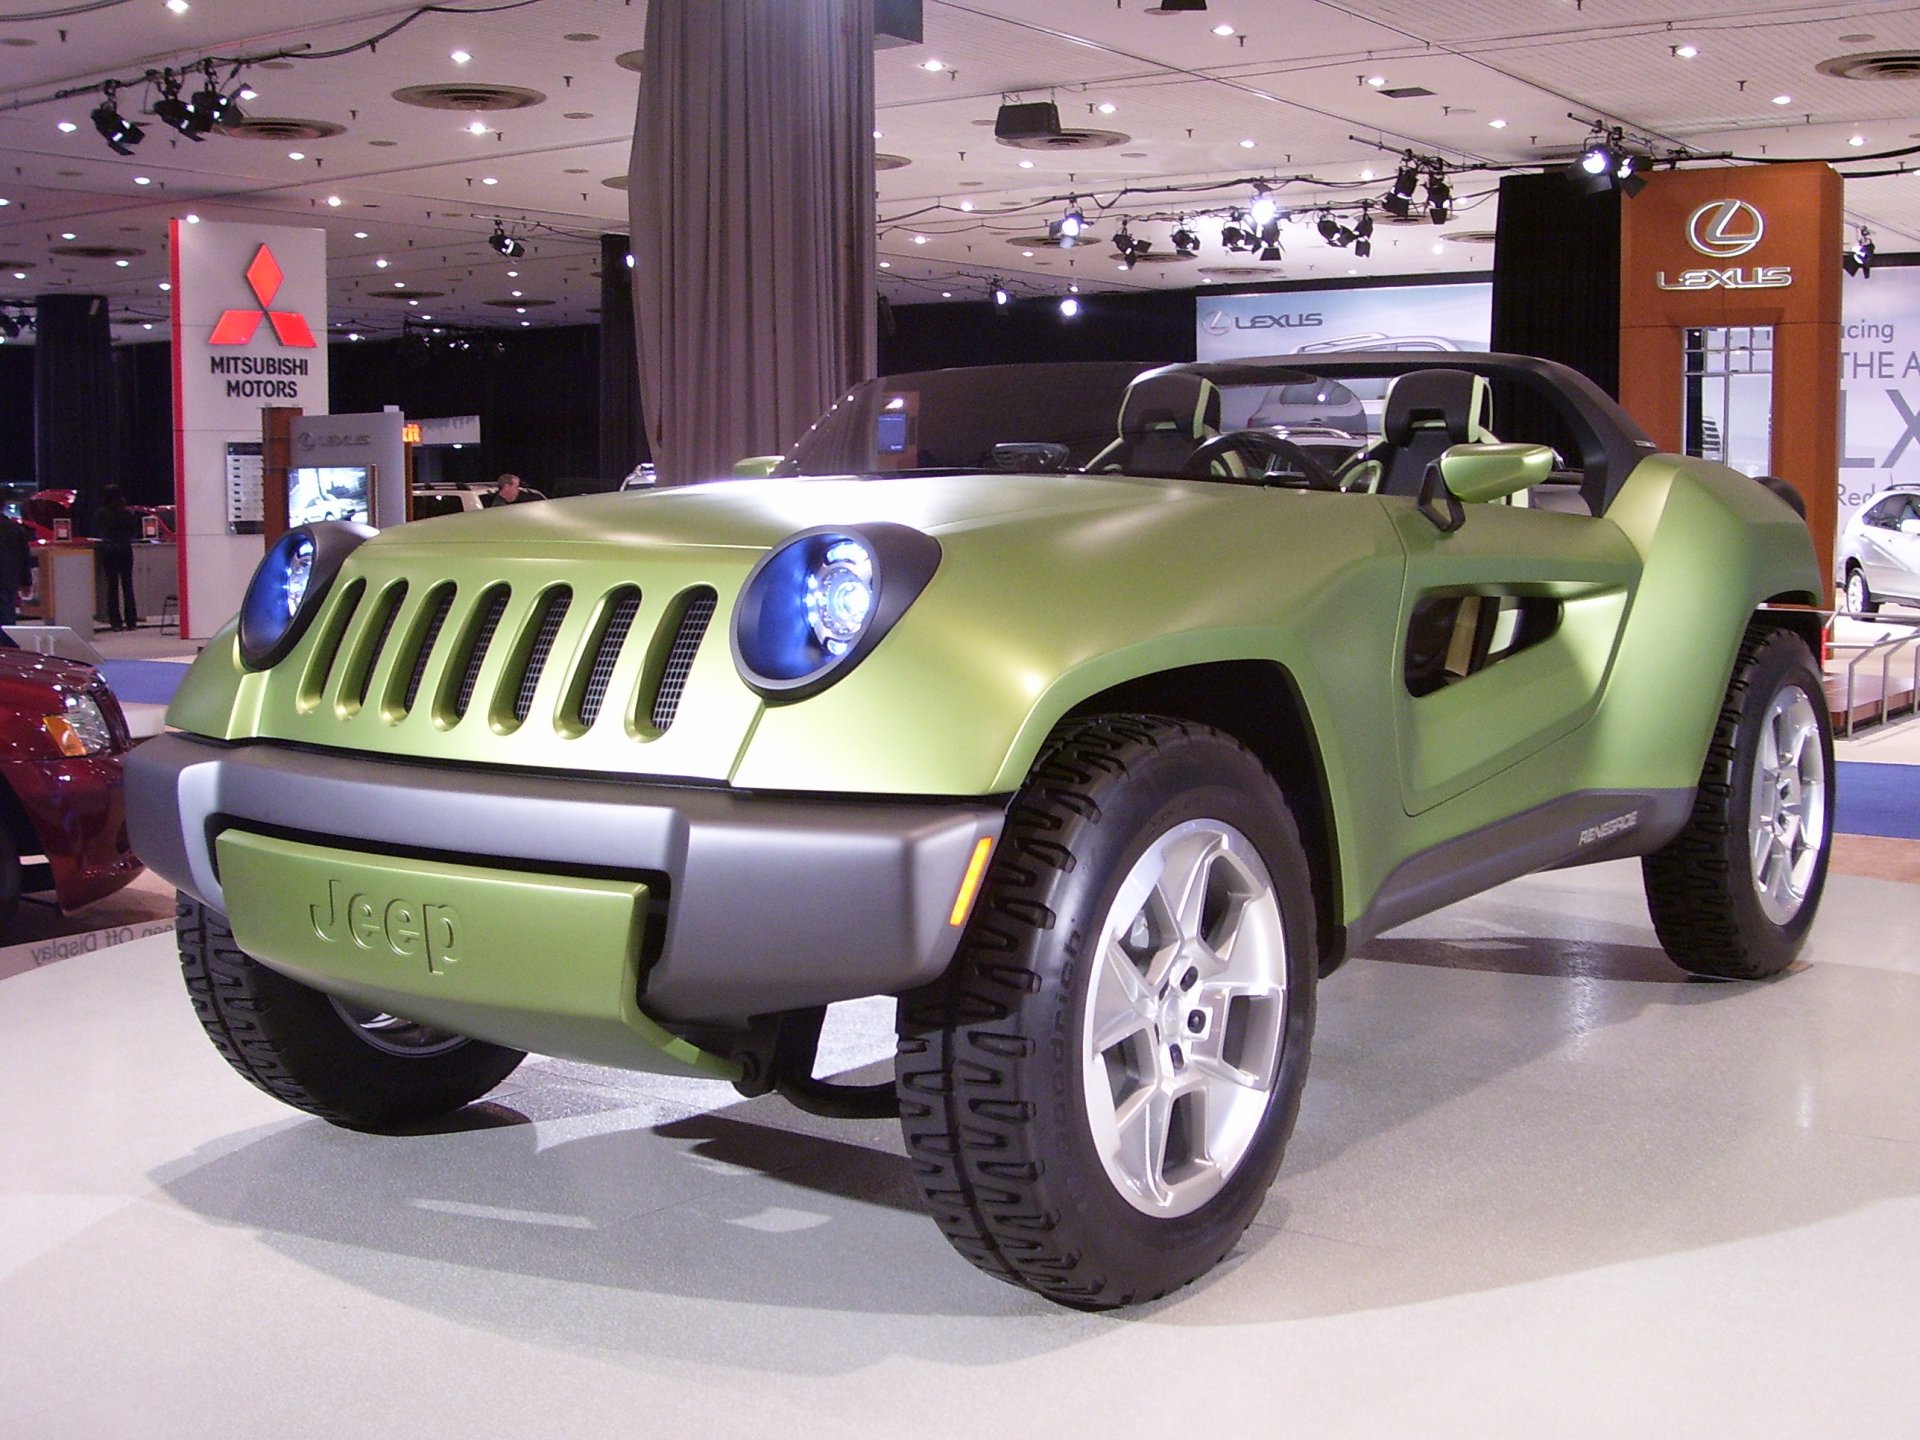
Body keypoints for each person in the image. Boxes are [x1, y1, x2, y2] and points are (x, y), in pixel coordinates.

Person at [96, 485, 141, 631]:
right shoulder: (127, 513)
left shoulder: (101, 513)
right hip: (125, 549)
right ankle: (131, 621)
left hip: (109, 550)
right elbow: (133, 532)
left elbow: (99, 532)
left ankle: (116, 622)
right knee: (127, 586)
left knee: (112, 587)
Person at [0, 508, 32, 639]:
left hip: (6, 582)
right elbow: (24, 557)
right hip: (8, 581)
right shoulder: (15, 528)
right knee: (7, 622)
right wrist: (26, 582)